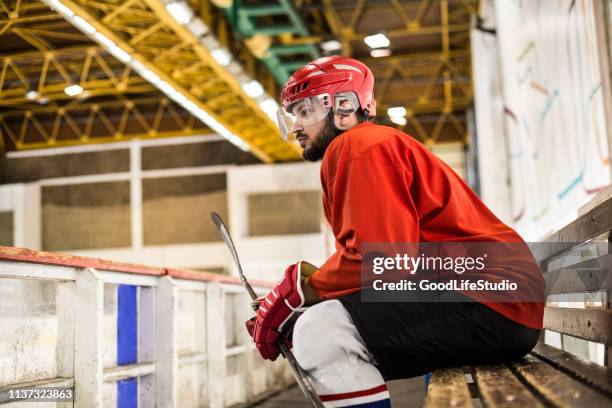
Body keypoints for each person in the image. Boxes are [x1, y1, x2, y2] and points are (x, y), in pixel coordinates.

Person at [246, 56, 545, 408]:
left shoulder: (356, 147)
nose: (296, 125)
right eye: (292, 114)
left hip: (491, 301)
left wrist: (300, 293)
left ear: (344, 106)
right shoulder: (369, 146)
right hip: (497, 299)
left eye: (305, 111)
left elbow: (386, 261)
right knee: (323, 320)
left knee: (322, 332)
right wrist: (306, 294)